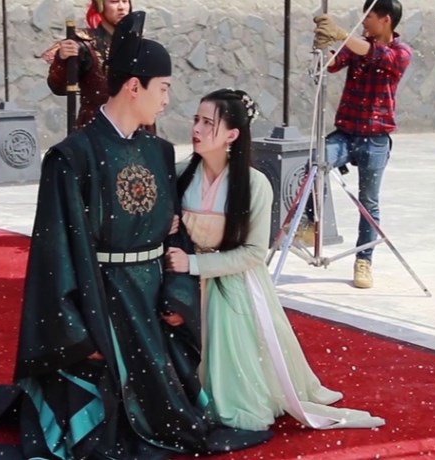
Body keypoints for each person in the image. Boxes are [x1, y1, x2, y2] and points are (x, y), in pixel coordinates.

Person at [0, 13, 271, 460]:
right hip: (100, 299)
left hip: (150, 301)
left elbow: (175, 237)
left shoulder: (159, 152)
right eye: (163, 88)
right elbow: (55, 254)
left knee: (171, 416)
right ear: (134, 87)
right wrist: (77, 332)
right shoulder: (72, 157)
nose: (167, 100)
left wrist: (177, 295)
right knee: (103, 432)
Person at [166, 88, 385, 431]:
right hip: (186, 285)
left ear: (232, 135)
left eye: (208, 123)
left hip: (234, 284)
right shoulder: (181, 173)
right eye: (196, 119)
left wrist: (195, 265)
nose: (197, 129)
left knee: (240, 391)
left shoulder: (255, 184)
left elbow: (254, 253)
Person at [303, 0, 412, 288]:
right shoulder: (356, 45)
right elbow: (331, 65)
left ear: (386, 20)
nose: (364, 21)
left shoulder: (401, 52)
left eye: (369, 16)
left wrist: (341, 33)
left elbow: (377, 55)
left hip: (375, 139)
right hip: (346, 134)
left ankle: (364, 261)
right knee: (314, 163)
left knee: (368, 203)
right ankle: (310, 223)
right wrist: (322, 48)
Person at [42, 0, 131, 129]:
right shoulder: (84, 44)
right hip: (96, 128)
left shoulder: (138, 43)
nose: (122, 7)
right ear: (100, 5)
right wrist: (63, 59)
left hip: (135, 128)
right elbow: (58, 87)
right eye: (114, 1)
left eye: (125, 1)